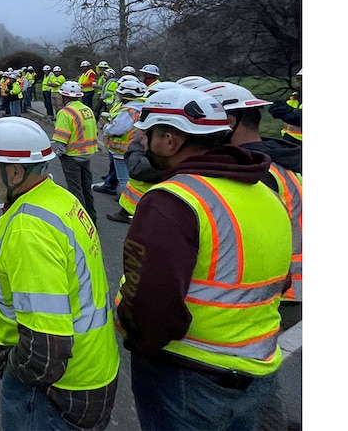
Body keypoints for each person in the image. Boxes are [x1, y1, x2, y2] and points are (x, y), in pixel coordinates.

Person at [115, 88, 291, 431]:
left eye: (148, 135)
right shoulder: (266, 193)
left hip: (187, 374)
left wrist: (139, 343)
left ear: (169, 139)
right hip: (259, 370)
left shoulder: (173, 200)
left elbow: (151, 306)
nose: (143, 143)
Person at [0, 117, 120, 430]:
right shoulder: (60, 199)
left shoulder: (29, 229)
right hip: (93, 368)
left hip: (58, 388)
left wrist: (11, 368)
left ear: (15, 171)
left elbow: (43, 352)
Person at [200, 81, 303, 324]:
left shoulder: (254, 173)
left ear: (230, 121)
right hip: (288, 287)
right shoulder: (278, 160)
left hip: (276, 292)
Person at [94, 79, 148, 216]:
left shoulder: (127, 110)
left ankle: (126, 209)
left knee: (124, 179)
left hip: (121, 150)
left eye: (119, 93)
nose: (117, 95)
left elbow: (117, 129)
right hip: (132, 147)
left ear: (125, 95)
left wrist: (106, 126)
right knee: (129, 178)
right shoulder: (140, 107)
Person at [51, 80, 101, 224]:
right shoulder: (87, 109)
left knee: (75, 190)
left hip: (72, 156)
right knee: (86, 189)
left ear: (63, 96)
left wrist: (57, 154)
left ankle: (81, 223)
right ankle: (92, 217)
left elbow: (61, 140)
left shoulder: (65, 113)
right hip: (87, 154)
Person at [268, 68, 303, 144]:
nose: (301, 83)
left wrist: (288, 113)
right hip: (290, 141)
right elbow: (278, 108)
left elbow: (298, 117)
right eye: (300, 79)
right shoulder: (295, 97)